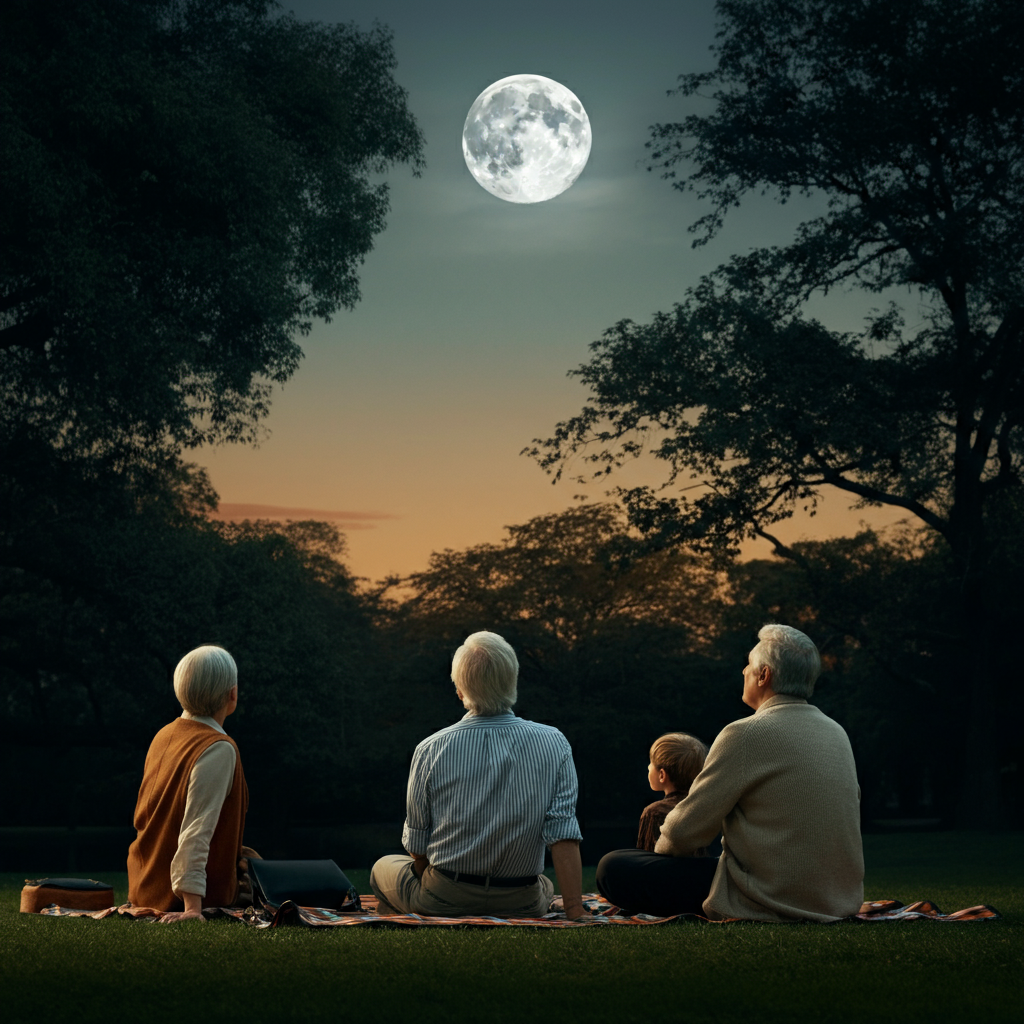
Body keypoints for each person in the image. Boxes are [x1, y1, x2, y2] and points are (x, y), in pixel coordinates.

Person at [597, 624, 864, 921]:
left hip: (767, 895)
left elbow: (681, 834)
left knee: (614, 866)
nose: (743, 672)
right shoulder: (836, 732)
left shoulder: (745, 733)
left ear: (764, 675)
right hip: (835, 899)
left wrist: (660, 856)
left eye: (749, 665)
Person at [370, 631, 591, 921]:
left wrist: (441, 890)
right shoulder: (554, 742)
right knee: (545, 884)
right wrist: (575, 910)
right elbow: (563, 836)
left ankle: (407, 911)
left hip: (444, 898)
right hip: (521, 901)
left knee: (381, 868)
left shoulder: (430, 748)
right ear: (512, 681)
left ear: (460, 689)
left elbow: (417, 848)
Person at [127, 645, 253, 923]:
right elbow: (196, 829)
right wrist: (193, 910)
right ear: (232, 694)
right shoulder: (218, 747)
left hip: (143, 888)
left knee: (252, 860)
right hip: (183, 898)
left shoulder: (164, 734)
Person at [636, 732, 709, 852]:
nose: (648, 767)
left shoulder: (655, 812)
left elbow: (645, 860)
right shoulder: (706, 807)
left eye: (651, 763)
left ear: (662, 775)